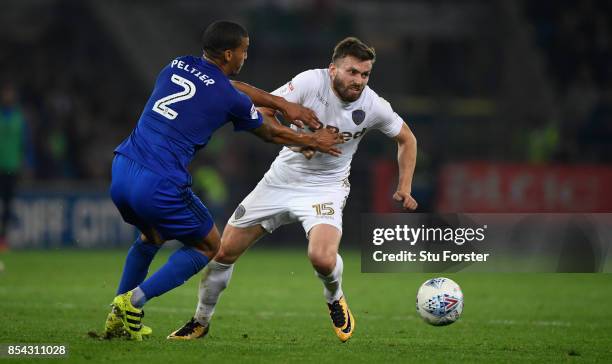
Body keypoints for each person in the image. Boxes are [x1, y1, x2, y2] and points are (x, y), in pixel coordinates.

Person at [103, 20, 344, 341]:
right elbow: (269, 132)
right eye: (244, 51)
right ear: (229, 54)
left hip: (122, 169)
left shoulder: (178, 63)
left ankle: (117, 319)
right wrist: (315, 141)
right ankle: (132, 302)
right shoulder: (228, 98)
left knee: (150, 236)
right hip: (159, 181)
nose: (245, 57)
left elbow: (230, 86)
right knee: (209, 246)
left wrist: (282, 103)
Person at [169, 37, 418, 342]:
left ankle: (334, 297)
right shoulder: (309, 83)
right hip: (280, 180)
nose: (359, 81)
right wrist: (298, 141)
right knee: (222, 253)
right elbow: (261, 110)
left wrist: (404, 186)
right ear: (332, 70)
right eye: (352, 72)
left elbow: (407, 138)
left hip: (325, 189)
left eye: (365, 75)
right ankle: (200, 321)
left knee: (322, 259)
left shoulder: (374, 106)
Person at [0, 83, 31, 251]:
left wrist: (27, 164)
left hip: (11, 167)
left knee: (7, 204)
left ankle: (3, 238)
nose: (8, 96)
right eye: (6, 93)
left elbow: (25, 144)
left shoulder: (20, 118)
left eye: (10, 93)